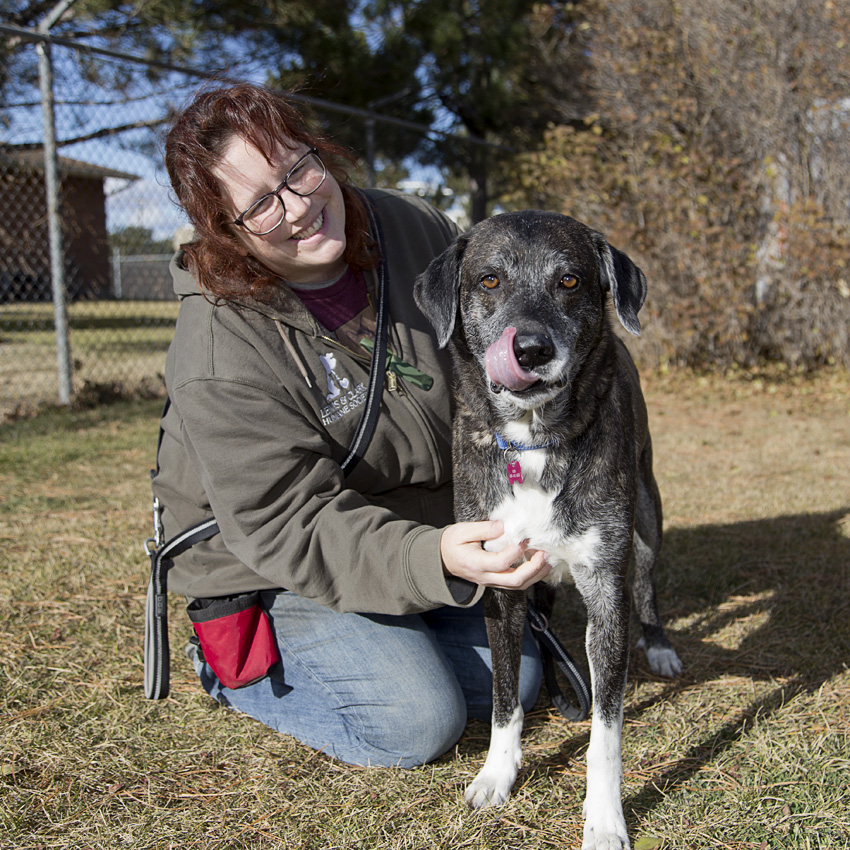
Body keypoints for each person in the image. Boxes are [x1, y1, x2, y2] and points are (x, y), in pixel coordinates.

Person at [154, 82, 551, 768]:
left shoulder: (410, 229)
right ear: (226, 231)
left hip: (412, 524)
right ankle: (227, 669)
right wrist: (433, 561)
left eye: (299, 169)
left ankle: (410, 623)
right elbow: (285, 521)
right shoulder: (218, 350)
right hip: (271, 563)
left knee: (518, 681)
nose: (302, 206)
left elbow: (487, 363)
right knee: (418, 720)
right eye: (260, 204)